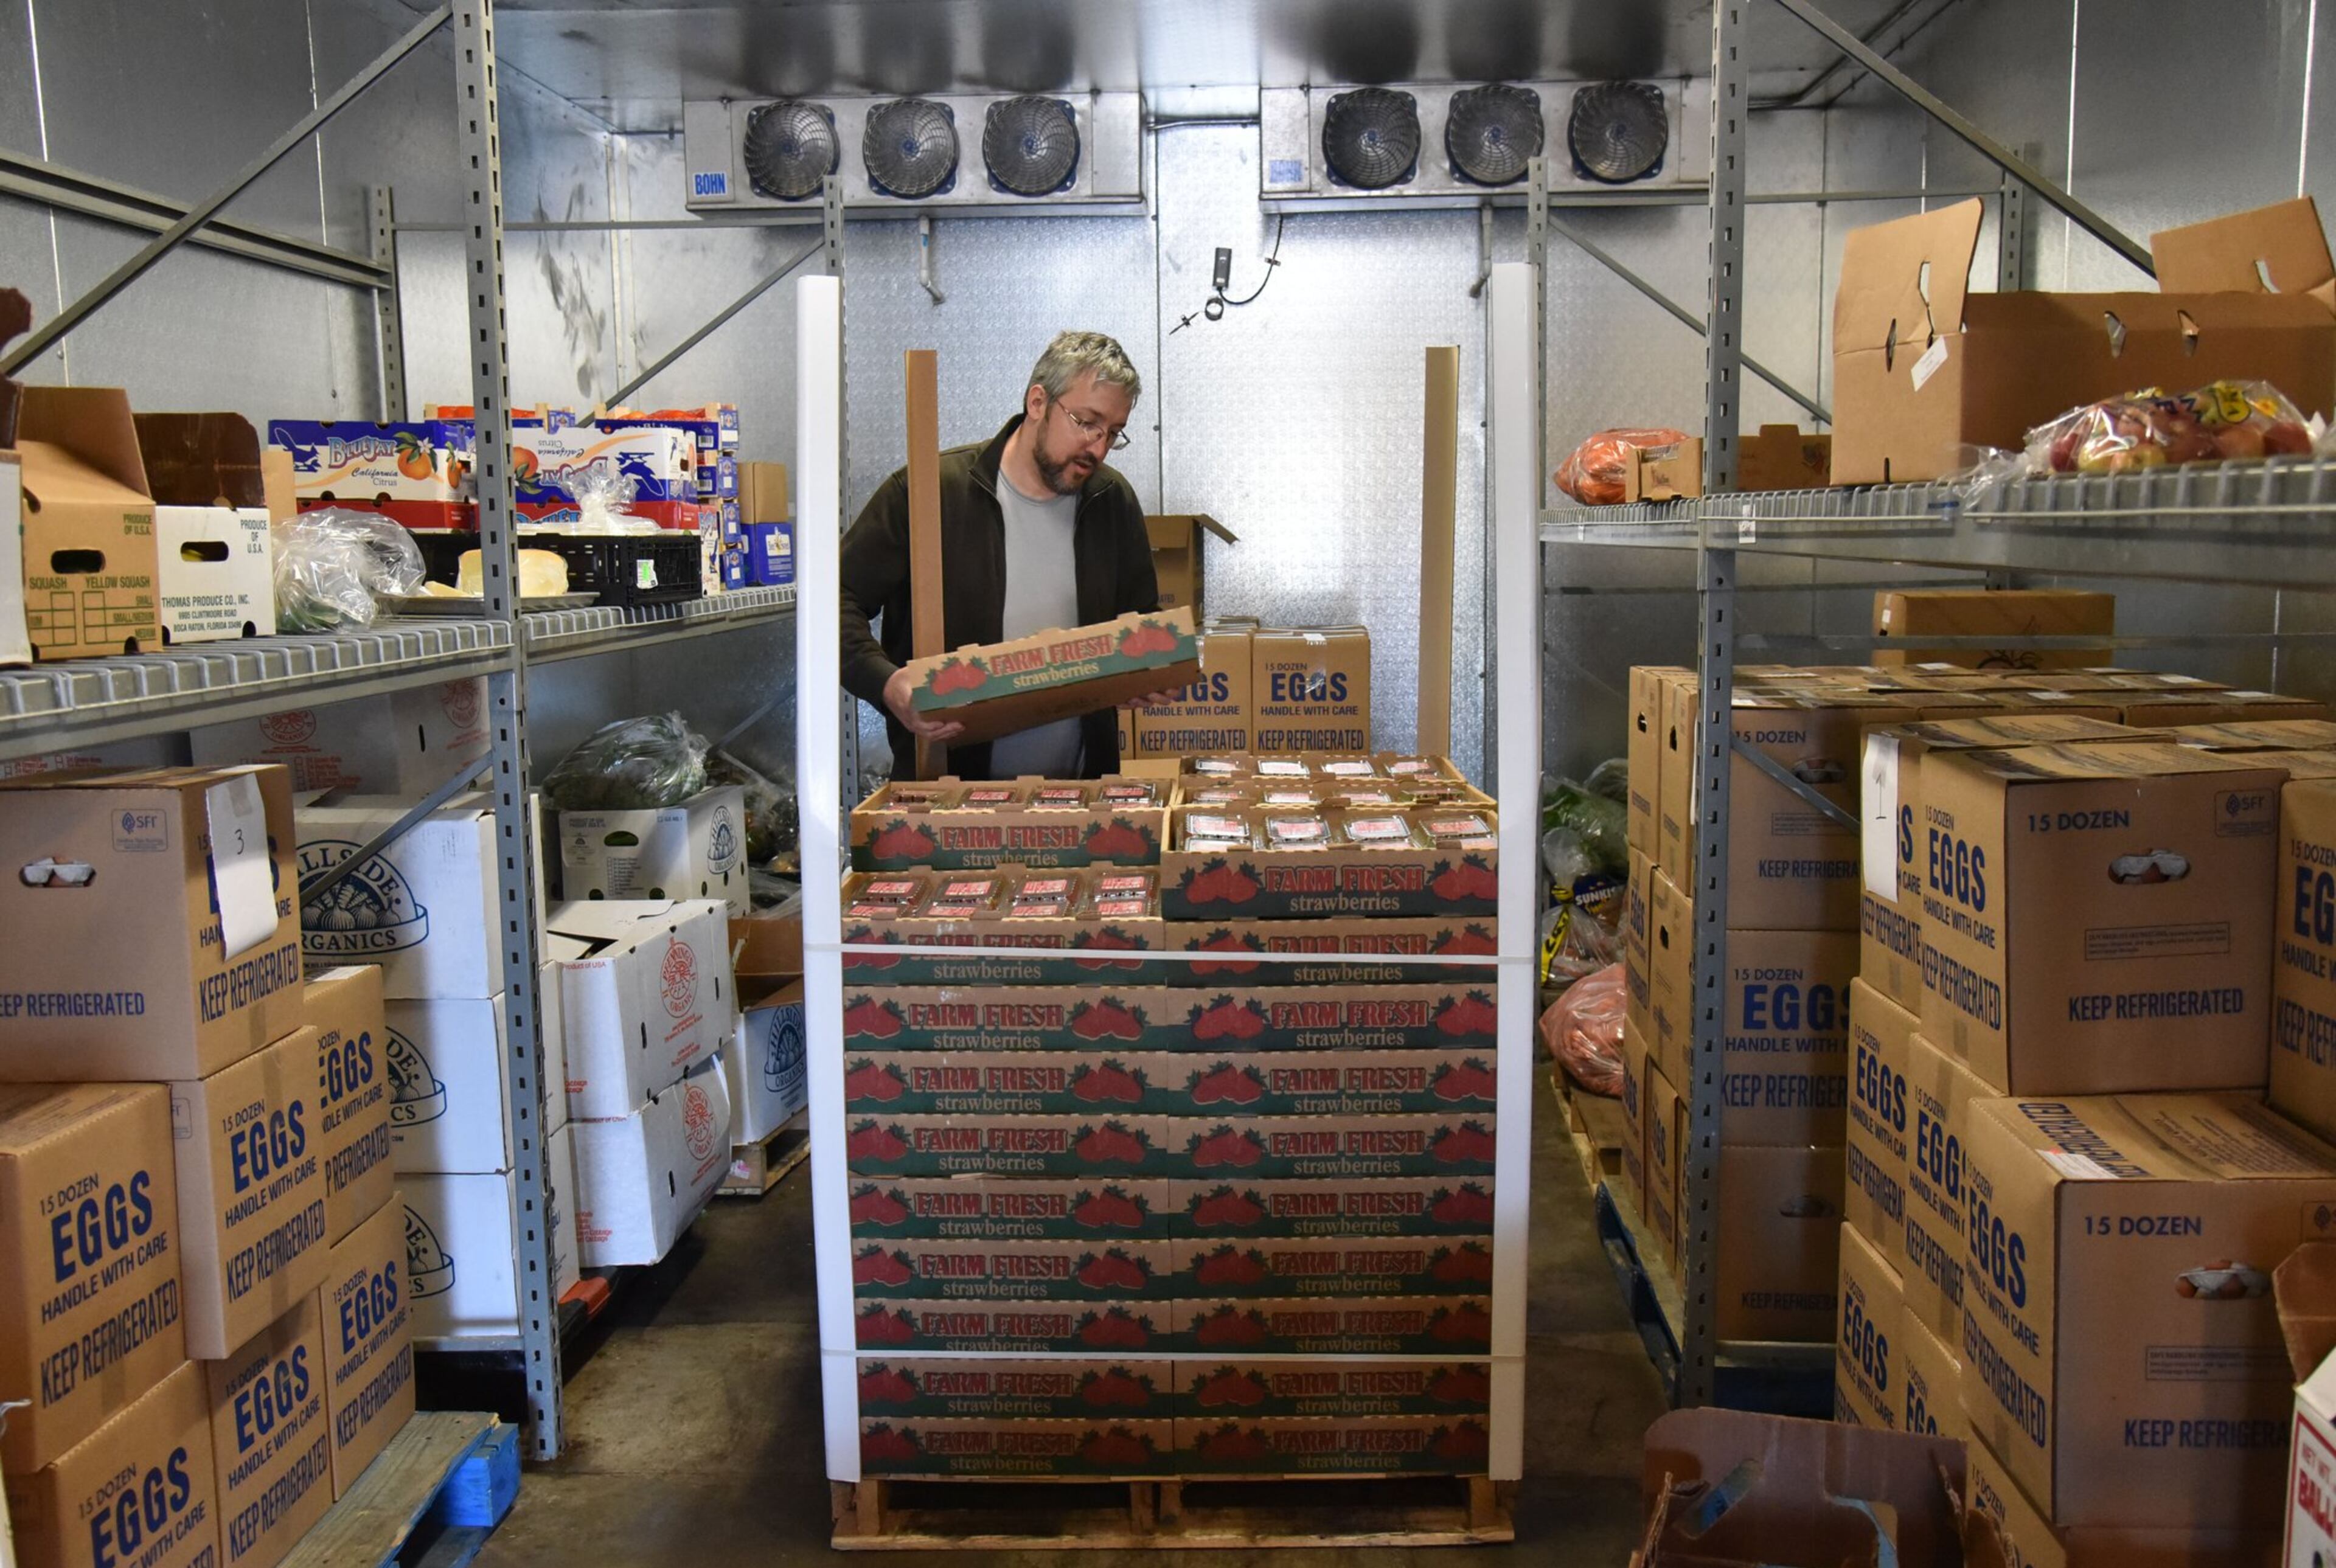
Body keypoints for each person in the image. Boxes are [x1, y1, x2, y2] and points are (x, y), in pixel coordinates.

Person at [839, 330, 1167, 780]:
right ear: (1038, 402)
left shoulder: (1112, 501)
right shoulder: (929, 494)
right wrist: (886, 683)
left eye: (1113, 433)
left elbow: (1138, 621)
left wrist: (1144, 671)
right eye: (1086, 423)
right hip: (951, 808)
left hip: (1077, 808)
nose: (1098, 447)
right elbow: (835, 600)